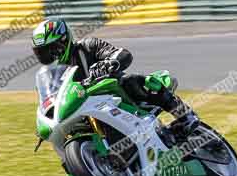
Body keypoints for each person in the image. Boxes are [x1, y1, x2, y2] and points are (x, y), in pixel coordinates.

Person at [31, 18, 200, 136]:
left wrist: (109, 63)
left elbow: (122, 54)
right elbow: (51, 98)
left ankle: (186, 117)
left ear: (64, 42)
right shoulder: (49, 76)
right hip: (83, 108)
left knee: (133, 81)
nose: (49, 56)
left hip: (115, 95)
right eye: (42, 53)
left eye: (51, 49)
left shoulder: (88, 46)